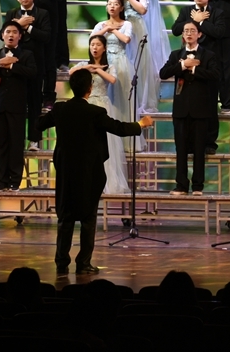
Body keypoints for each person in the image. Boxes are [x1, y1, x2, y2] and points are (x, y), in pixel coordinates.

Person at [38, 69, 152, 276]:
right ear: (89, 89)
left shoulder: (60, 109)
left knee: (65, 218)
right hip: (89, 172)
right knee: (88, 218)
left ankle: (61, 262)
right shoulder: (95, 113)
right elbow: (118, 128)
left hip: (66, 172)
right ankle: (83, 263)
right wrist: (140, 124)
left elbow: (39, 124)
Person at [160, 22, 219, 195]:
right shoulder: (176, 55)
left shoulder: (208, 55)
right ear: (183, 35)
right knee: (181, 149)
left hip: (201, 109)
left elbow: (215, 75)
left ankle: (198, 186)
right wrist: (182, 65)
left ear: (199, 34)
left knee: (199, 149)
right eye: (186, 31)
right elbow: (163, 73)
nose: (189, 33)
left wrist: (194, 69)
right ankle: (181, 185)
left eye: (193, 30)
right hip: (181, 109)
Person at [0, 21, 37, 191]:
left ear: (20, 36)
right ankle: (1, 179)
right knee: (1, 143)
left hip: (17, 105)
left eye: (14, 32)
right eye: (8, 32)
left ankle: (15, 180)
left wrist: (12, 65)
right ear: (2, 35)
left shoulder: (26, 55)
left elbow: (33, 73)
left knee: (16, 144)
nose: (11, 35)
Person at [69, 36, 131, 194]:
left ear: (104, 48)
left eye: (98, 45)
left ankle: (106, 182)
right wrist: (88, 67)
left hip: (102, 105)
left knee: (104, 142)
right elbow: (70, 72)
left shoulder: (109, 66)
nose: (94, 48)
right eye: (92, 45)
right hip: (86, 105)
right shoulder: (83, 65)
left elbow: (113, 80)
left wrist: (97, 70)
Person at [171, 0, 226, 154]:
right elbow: (175, 29)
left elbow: (219, 33)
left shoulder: (217, 12)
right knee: (187, 105)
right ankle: (188, 143)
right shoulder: (186, 11)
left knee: (210, 103)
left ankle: (209, 143)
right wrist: (194, 20)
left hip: (208, 62)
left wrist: (200, 23)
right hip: (187, 63)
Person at [106, 0, 160, 113]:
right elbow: (110, 7)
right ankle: (119, 100)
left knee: (139, 64)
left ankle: (139, 101)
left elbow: (142, 10)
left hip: (136, 28)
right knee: (120, 62)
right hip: (119, 26)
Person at [4, 0, 52, 151]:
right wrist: (18, 23)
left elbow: (46, 36)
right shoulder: (11, 14)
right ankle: (16, 139)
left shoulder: (43, 13)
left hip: (35, 63)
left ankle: (34, 140)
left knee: (34, 102)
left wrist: (28, 27)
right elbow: (1, 34)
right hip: (15, 62)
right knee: (15, 102)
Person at [21, 0, 66, 102]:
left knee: (49, 59)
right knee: (29, 56)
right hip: (29, 19)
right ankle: (30, 96)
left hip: (50, 21)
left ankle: (48, 97)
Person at [91, 0, 136, 146]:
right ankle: (108, 139)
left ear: (121, 8)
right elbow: (93, 39)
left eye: (115, 4)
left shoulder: (126, 24)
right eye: (109, 3)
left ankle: (124, 140)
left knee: (121, 98)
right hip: (104, 62)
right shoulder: (100, 25)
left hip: (120, 63)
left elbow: (126, 39)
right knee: (106, 98)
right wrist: (106, 29)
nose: (112, 6)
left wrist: (113, 30)